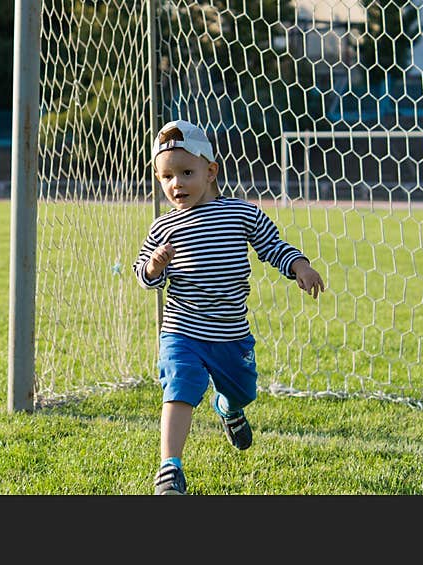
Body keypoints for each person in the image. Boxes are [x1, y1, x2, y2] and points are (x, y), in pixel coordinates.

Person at [133, 119, 326, 495]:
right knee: (179, 387)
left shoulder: (242, 214)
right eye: (167, 176)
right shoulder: (162, 228)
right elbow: (144, 276)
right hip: (182, 331)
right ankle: (169, 468)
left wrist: (299, 265)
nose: (177, 184)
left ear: (210, 171)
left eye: (186, 173)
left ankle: (229, 408)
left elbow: (273, 245)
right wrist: (154, 266)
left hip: (230, 334)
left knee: (244, 392)